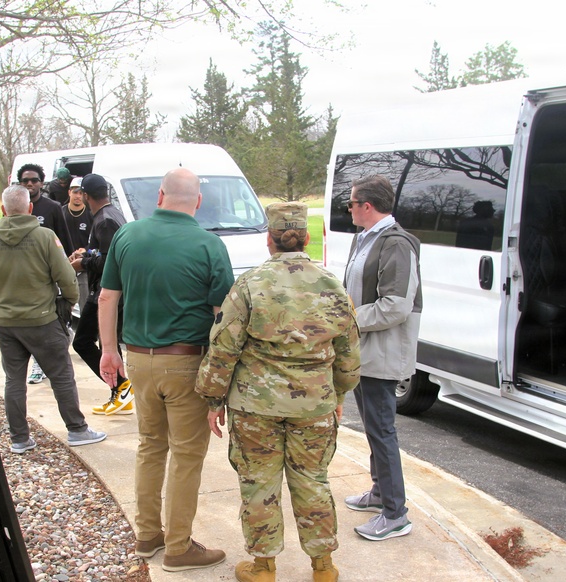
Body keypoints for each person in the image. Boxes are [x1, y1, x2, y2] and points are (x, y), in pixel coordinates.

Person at [196, 203, 361, 582]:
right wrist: (337, 396)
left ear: (269, 241)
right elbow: (349, 356)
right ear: (305, 238)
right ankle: (323, 567)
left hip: (256, 407)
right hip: (314, 406)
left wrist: (213, 399)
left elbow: (223, 348)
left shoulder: (250, 284)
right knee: (312, 479)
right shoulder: (333, 285)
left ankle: (263, 567)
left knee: (259, 483)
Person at [99, 168, 233, 572]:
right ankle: (178, 547)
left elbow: (107, 297)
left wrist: (109, 351)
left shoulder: (127, 234)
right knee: (187, 455)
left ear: (159, 196)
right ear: (197, 201)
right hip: (187, 362)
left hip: (138, 358)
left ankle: (147, 535)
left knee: (150, 445)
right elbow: (224, 315)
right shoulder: (209, 245)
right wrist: (222, 380)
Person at [0, 184, 106, 453]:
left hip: (6, 323)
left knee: (14, 379)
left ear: (3, 210)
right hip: (43, 320)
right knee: (61, 375)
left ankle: (19, 438)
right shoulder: (45, 237)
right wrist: (68, 304)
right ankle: (77, 429)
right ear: (30, 208)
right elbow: (67, 277)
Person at [342, 174, 423, 541]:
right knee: (374, 428)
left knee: (382, 430)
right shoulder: (363, 238)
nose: (349, 209)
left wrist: (346, 320)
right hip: (363, 349)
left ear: (367, 207)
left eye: (352, 203)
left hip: (382, 353)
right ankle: (379, 493)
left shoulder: (397, 244)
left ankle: (395, 514)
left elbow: (396, 306)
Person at [69, 173, 132, 416]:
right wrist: (87, 254)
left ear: (85, 195)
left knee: (82, 341)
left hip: (106, 293)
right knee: (111, 344)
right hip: (110, 291)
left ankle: (122, 388)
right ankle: (120, 393)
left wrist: (83, 263)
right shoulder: (112, 213)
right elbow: (105, 253)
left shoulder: (104, 221)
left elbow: (109, 263)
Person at [16, 163, 74, 384]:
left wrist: (68, 269)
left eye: (34, 180)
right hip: (22, 278)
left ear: (41, 182)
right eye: (25, 181)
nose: (30, 184)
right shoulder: (14, 206)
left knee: (46, 323)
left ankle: (40, 366)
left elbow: (64, 242)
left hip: (47, 277)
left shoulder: (52, 207)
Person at [62, 177, 91, 311]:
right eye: (75, 192)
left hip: (83, 267)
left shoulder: (90, 214)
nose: (78, 196)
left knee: (85, 305)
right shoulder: (61, 213)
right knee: (63, 305)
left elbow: (95, 242)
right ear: (69, 193)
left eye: (81, 193)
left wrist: (84, 251)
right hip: (63, 265)